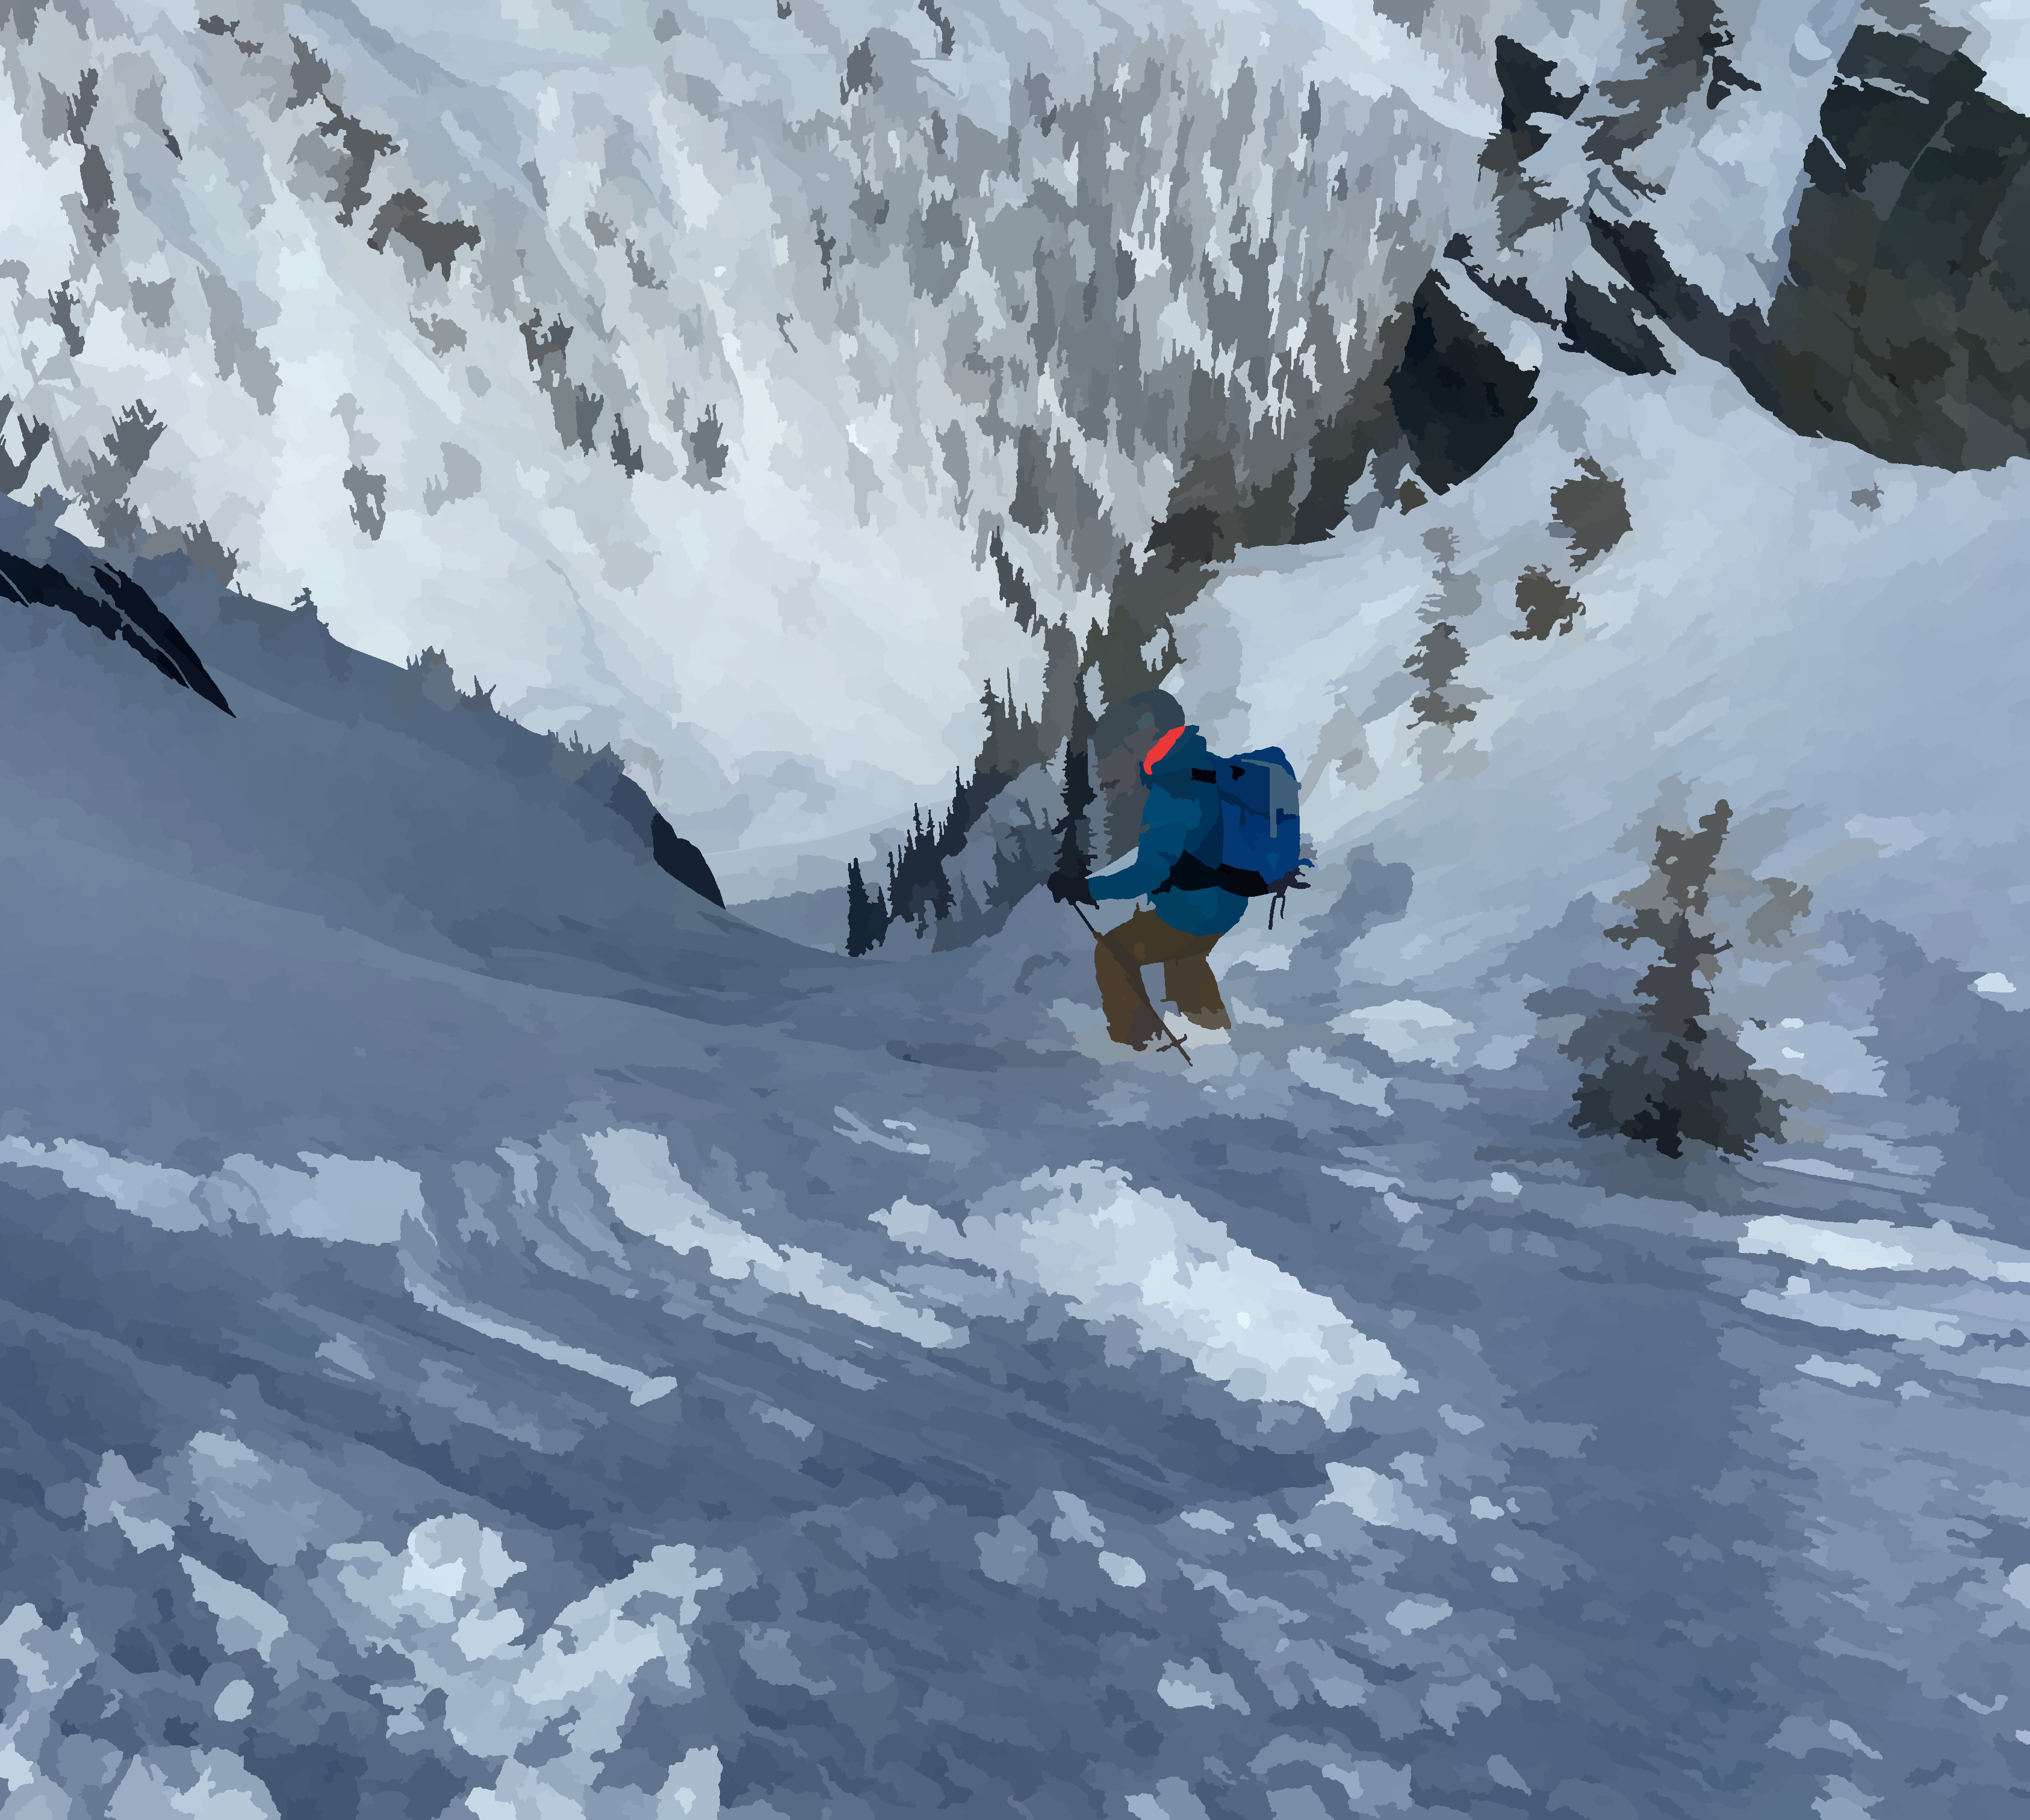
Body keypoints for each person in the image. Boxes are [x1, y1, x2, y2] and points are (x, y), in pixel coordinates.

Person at [1047, 689, 1249, 1051]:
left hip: (1195, 909)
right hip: (1231, 898)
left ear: (1157, 734)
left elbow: (1149, 873)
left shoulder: (1172, 790)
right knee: (1184, 956)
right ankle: (1215, 1034)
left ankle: (1141, 1047)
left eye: (1134, 738)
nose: (1129, 748)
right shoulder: (1211, 765)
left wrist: (1085, 890)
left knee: (1113, 953)